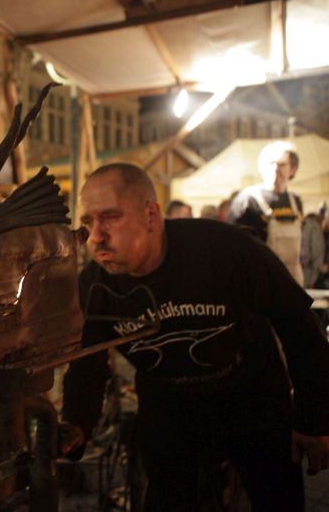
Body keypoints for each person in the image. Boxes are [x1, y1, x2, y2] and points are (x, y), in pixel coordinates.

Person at [60, 163, 329, 511]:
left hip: (250, 397)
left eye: (110, 217)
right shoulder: (94, 287)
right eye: (87, 222)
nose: (96, 236)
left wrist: (314, 418)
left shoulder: (225, 249)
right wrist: (77, 424)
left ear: (151, 216)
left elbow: (298, 324)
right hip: (169, 405)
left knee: (276, 499)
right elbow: (88, 364)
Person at [227, 141, 304, 284]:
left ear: (292, 169)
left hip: (292, 279)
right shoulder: (247, 200)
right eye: (271, 163)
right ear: (261, 168)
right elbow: (232, 244)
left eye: (282, 164)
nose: (276, 169)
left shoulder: (296, 201)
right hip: (260, 279)